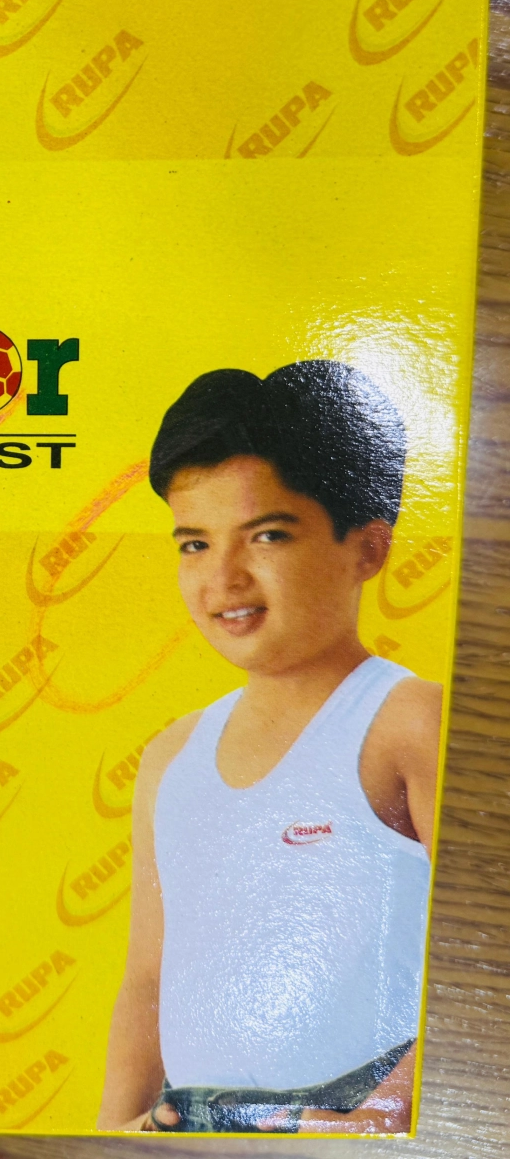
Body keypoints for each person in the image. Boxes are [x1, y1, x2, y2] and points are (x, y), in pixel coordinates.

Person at [97, 361, 442, 1135]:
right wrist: (105, 1140)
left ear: (368, 549)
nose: (224, 577)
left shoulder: (408, 722)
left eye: (268, 536)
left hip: (359, 1127)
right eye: (194, 543)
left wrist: (386, 1111)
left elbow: (488, 957)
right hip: (188, 1129)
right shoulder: (171, 757)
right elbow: (147, 980)